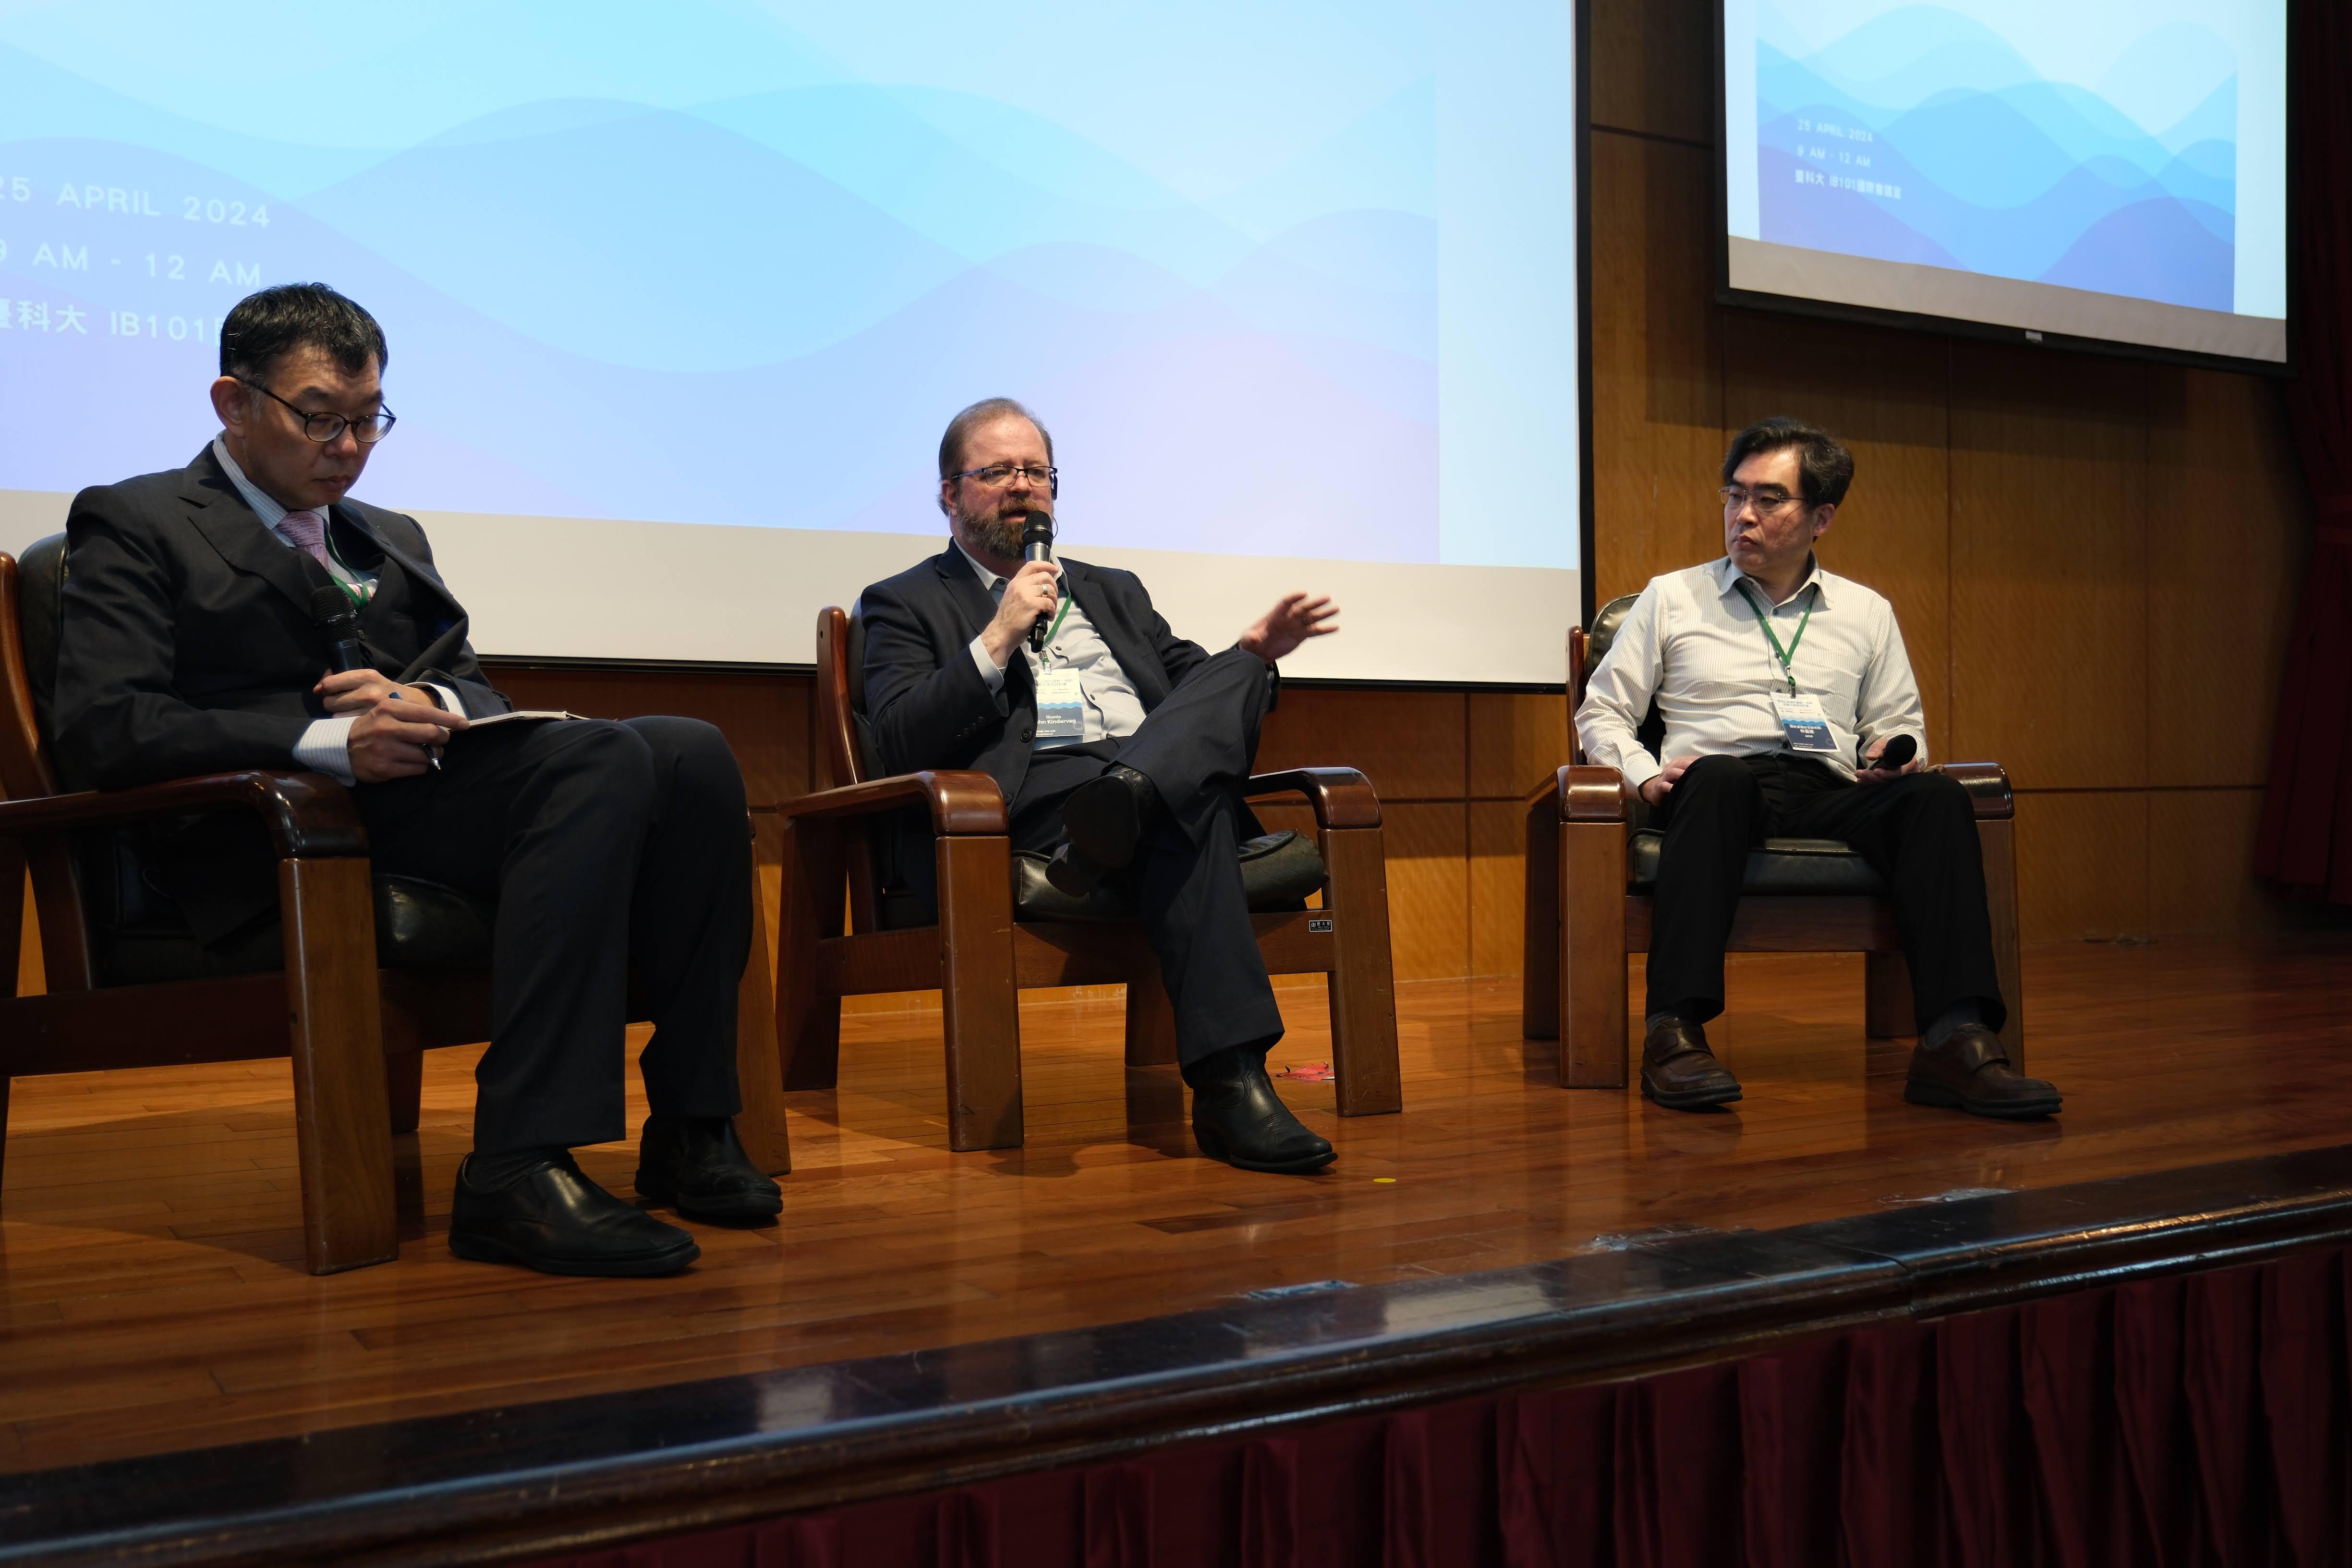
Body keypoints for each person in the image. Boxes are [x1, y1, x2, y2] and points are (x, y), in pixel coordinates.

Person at [51, 282, 779, 1276]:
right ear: (232, 402)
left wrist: (434, 702)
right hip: (272, 831)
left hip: (416, 802)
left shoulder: (388, 534)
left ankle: (692, 1125)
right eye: (320, 418)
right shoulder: (136, 519)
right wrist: (318, 740)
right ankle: (516, 1167)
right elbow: (104, 726)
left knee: (689, 747)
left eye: (368, 421)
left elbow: (469, 681)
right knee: (603, 755)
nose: (347, 447)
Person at [858, 398, 1343, 1173]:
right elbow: (893, 739)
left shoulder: (1114, 590)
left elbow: (1200, 698)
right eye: (997, 472)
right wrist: (997, 635)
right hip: (1032, 800)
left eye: (1035, 472)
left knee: (1235, 679)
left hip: (1133, 776)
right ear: (949, 494)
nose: (1022, 487)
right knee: (1191, 811)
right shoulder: (903, 601)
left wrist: (1254, 652)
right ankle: (1231, 1085)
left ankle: (1131, 798)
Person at [1577, 416, 2060, 1119]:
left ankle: (1956, 1039)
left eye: (1768, 499)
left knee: (1937, 800)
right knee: (1718, 778)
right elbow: (1601, 713)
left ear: (1821, 516)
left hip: (1828, 786)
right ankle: (1673, 1034)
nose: (1742, 514)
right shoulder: (1671, 597)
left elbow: (1900, 726)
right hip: (1715, 785)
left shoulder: (1865, 612)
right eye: (1734, 494)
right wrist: (1647, 777)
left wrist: (1889, 758)